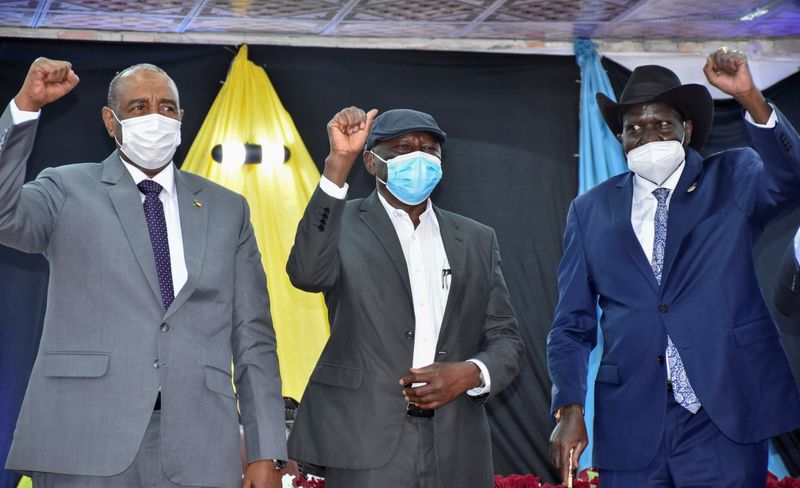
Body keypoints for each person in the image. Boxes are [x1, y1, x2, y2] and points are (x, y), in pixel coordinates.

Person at [1, 58, 286, 488]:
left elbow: (254, 336)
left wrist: (266, 450)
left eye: (167, 108)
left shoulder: (228, 208)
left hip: (199, 443)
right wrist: (24, 109)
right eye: (138, 107)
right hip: (85, 437)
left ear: (181, 119)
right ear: (110, 122)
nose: (156, 116)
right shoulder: (65, 189)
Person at [548, 48, 800, 486]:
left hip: (723, 414)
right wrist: (569, 406)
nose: (648, 136)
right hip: (631, 419)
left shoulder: (732, 178)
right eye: (634, 128)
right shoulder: (590, 210)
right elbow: (571, 324)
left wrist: (751, 99)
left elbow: (791, 177)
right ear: (621, 139)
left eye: (661, 124)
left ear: (685, 129)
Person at [285, 107, 524, 487]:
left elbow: (506, 339)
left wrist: (472, 373)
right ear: (372, 161)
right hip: (364, 439)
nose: (418, 157)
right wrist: (337, 165)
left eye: (429, 150)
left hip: (456, 442)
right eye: (402, 148)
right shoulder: (341, 224)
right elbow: (306, 274)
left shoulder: (477, 238)